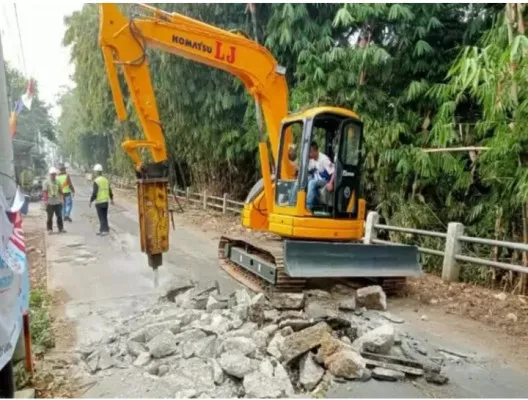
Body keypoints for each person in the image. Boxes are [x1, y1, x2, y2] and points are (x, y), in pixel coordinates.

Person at [89, 164, 114, 236]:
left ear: (96, 172)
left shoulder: (96, 181)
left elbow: (95, 193)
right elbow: (109, 190)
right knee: (104, 216)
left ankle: (104, 231)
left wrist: (91, 200)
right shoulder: (106, 180)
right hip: (106, 201)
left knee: (101, 217)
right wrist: (111, 199)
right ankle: (103, 229)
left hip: (99, 202)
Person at [42, 167, 65, 233]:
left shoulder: (58, 182)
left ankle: (61, 228)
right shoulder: (46, 182)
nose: (53, 175)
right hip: (50, 202)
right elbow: (45, 192)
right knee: (50, 217)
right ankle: (50, 229)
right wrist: (45, 201)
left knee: (59, 216)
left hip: (57, 201)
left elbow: (60, 191)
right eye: (52, 174)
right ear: (50, 174)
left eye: (54, 174)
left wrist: (62, 199)